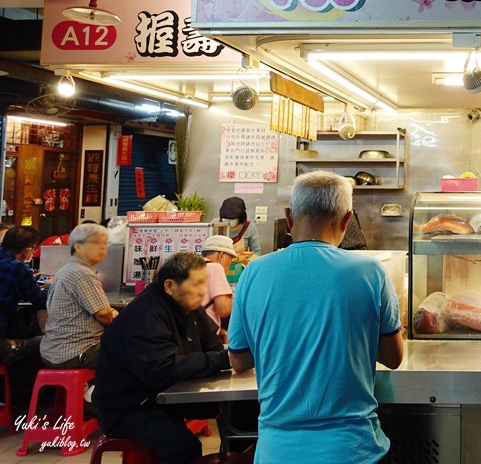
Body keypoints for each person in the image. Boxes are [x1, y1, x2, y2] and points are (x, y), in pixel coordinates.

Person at [228, 171, 403, 462]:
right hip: (353, 450)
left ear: (289, 216)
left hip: (277, 452)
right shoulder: (370, 272)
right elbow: (393, 357)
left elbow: (239, 360)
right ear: (348, 220)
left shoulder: (254, 272)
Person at [94, 251, 230, 464]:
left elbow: (214, 347)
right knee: (184, 446)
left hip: (167, 396)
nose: (203, 291)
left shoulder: (191, 309)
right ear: (169, 286)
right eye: (196, 284)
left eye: (204, 283)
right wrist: (224, 359)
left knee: (237, 411)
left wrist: (228, 357)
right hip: (130, 407)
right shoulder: (144, 314)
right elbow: (163, 369)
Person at [40, 223, 117, 368]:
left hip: (53, 351)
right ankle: (99, 391)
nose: (102, 248)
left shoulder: (68, 269)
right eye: (95, 243)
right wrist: (112, 313)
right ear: (77, 246)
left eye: (104, 243)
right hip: (75, 351)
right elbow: (105, 316)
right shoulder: (82, 273)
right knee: (131, 348)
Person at [0, 226, 48, 404]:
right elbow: (40, 301)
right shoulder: (17, 268)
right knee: (45, 344)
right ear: (28, 250)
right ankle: (12, 396)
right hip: (2, 345)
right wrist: (52, 284)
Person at [200, 235, 236, 338]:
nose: (229, 265)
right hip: (205, 335)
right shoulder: (215, 268)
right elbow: (224, 310)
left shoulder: (193, 266)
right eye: (230, 260)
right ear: (221, 256)